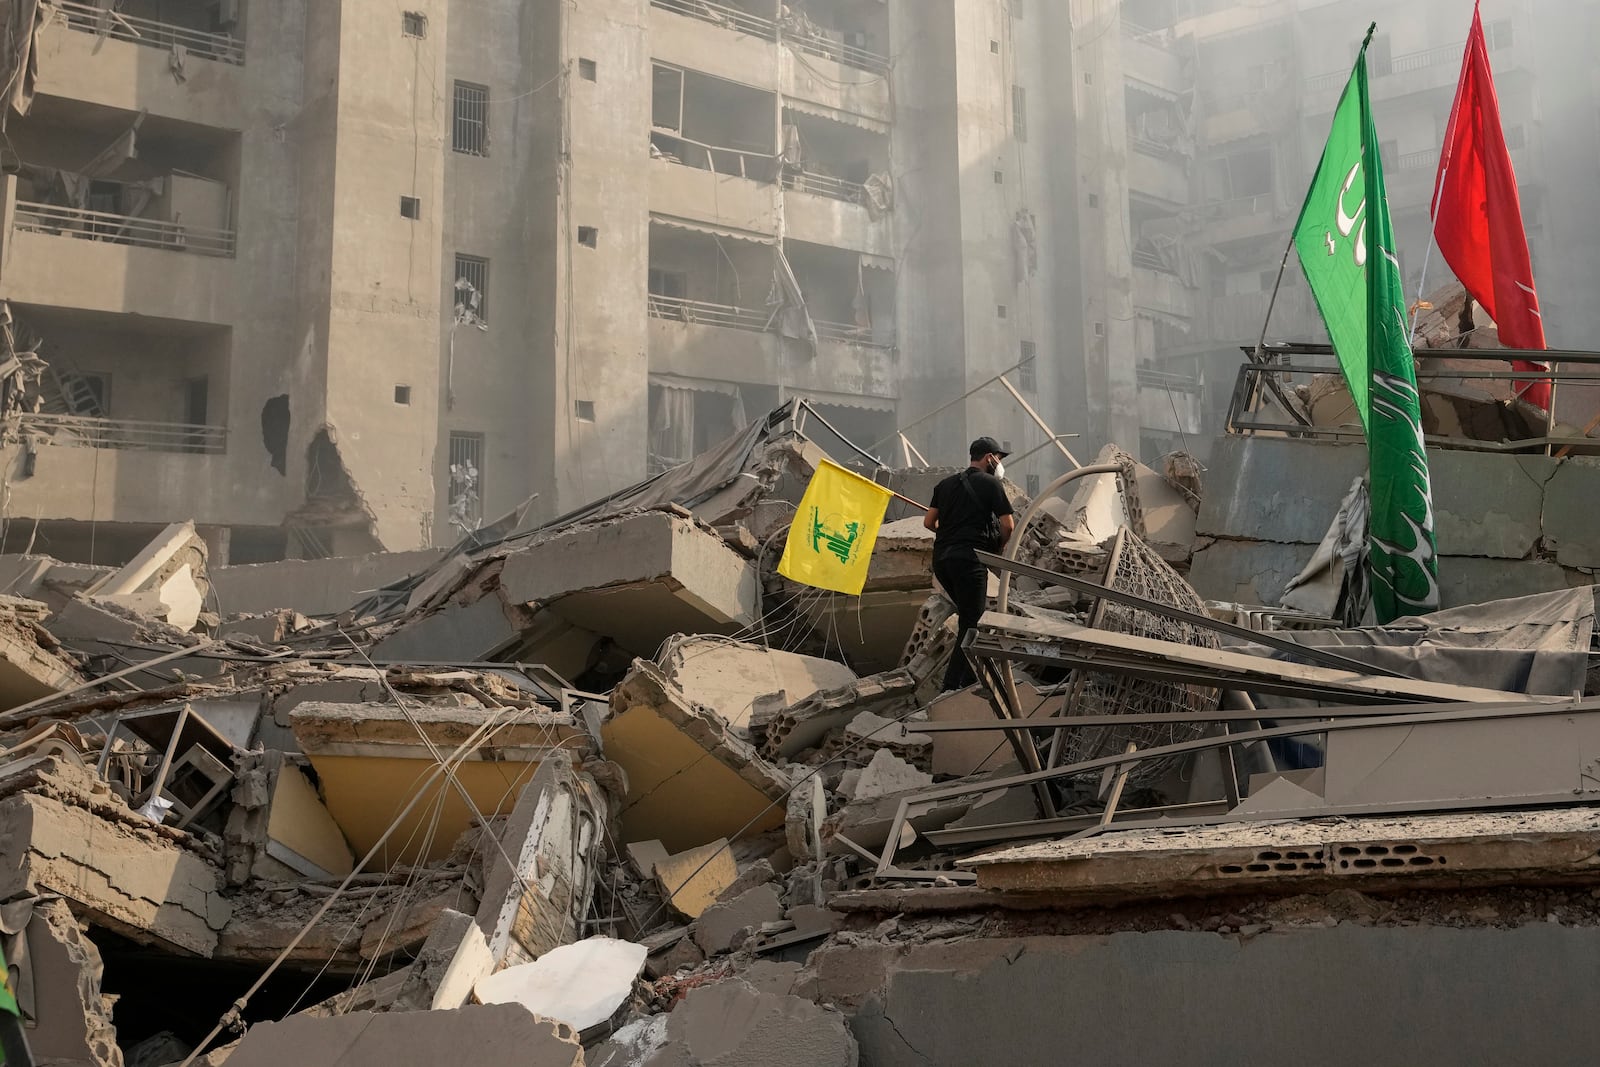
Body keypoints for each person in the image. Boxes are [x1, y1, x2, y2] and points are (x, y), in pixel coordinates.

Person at [923, 437, 1016, 692]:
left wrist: (951, 531)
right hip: (970, 561)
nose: (999, 463)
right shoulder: (991, 484)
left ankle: (969, 680)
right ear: (989, 458)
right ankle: (951, 688)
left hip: (942, 560)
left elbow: (929, 523)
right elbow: (1008, 525)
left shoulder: (945, 485)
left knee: (968, 616)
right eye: (999, 458)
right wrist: (999, 546)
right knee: (972, 623)